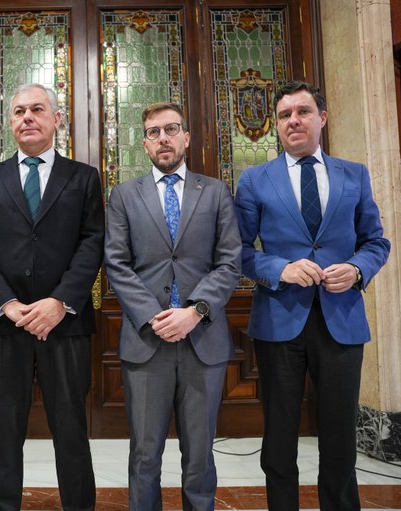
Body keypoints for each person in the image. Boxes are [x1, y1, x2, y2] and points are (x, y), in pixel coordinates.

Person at [234, 80, 391, 510]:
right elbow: (238, 252)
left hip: (342, 320)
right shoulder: (255, 180)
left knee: (339, 436)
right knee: (279, 436)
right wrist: (279, 268)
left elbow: (376, 242)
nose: (294, 121)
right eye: (284, 115)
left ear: (321, 118)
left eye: (302, 112)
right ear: (276, 125)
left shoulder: (354, 174)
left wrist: (357, 269)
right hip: (279, 320)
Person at [0, 83, 104, 510]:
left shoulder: (83, 178)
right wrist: (6, 303)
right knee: (4, 433)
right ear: (10, 122)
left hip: (66, 323)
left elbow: (93, 243)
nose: (27, 117)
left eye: (37, 109)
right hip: (5, 325)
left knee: (71, 430)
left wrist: (60, 301)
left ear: (56, 119)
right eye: (19, 111)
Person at [104, 102, 241, 510]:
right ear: (145, 144)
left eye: (171, 129)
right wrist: (155, 317)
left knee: (199, 455)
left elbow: (229, 261)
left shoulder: (215, 192)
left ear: (186, 137)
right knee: (145, 455)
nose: (163, 138)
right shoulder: (124, 195)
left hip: (203, 341)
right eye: (153, 132)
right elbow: (116, 263)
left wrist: (195, 311)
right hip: (147, 343)